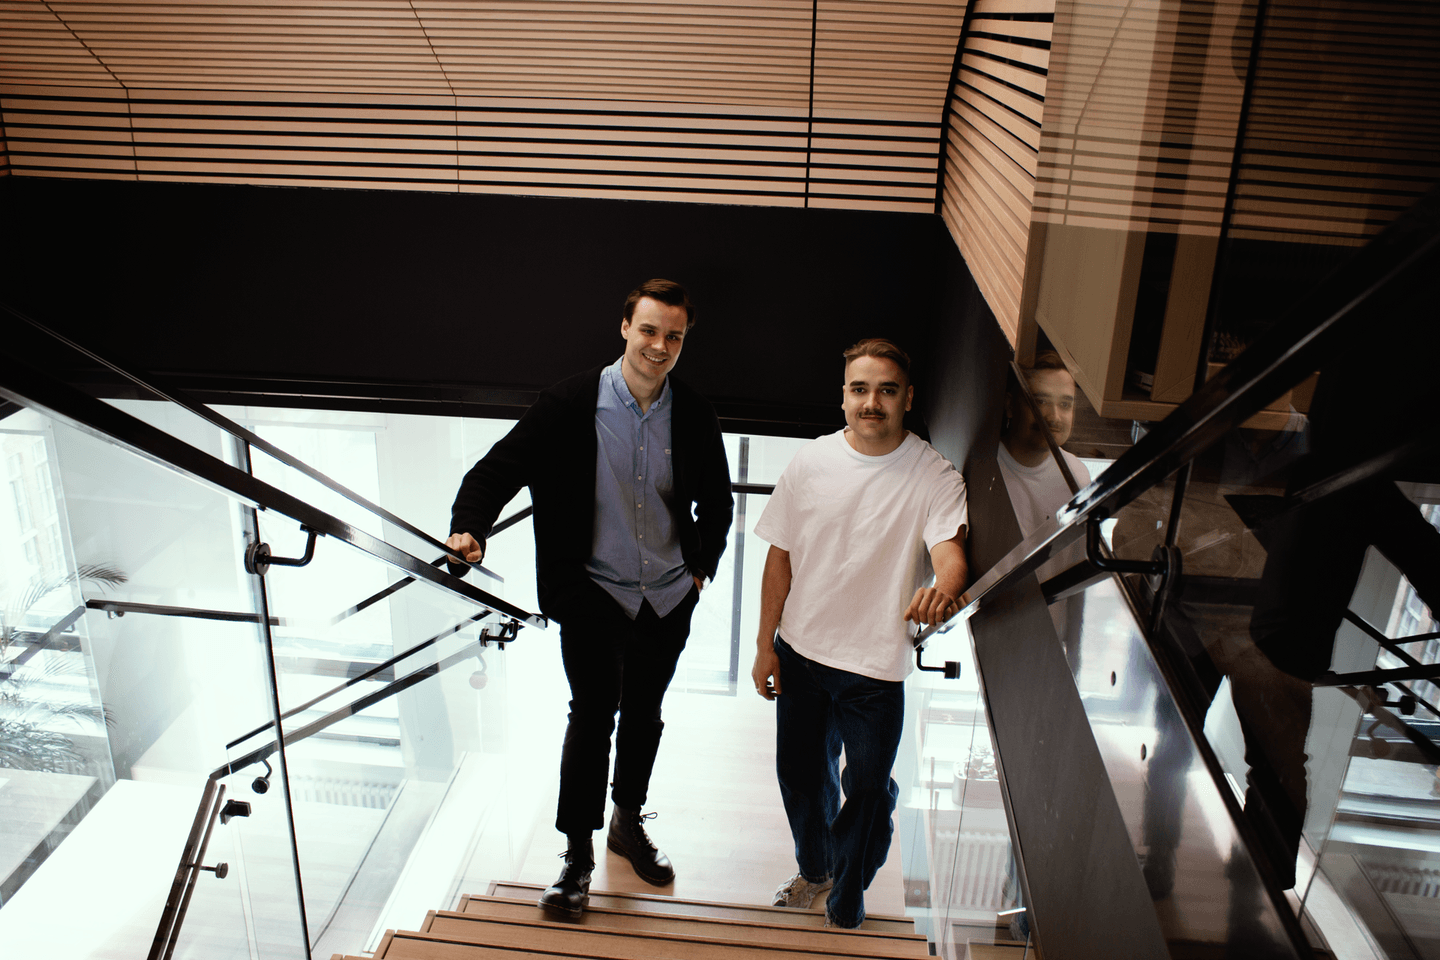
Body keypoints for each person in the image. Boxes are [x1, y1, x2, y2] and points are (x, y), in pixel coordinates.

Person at [445, 279, 733, 918]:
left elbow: (716, 502)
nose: (660, 346)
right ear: (625, 327)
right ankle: (576, 856)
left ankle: (628, 822)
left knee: (645, 714)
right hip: (593, 595)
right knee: (592, 715)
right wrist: (470, 528)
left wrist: (699, 571)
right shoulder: (569, 403)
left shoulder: (693, 412)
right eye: (650, 330)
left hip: (666, 596)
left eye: (674, 336)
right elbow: (495, 471)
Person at [750, 338, 968, 929]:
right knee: (800, 777)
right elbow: (780, 559)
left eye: (887, 391)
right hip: (800, 652)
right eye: (860, 389)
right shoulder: (810, 463)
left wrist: (943, 587)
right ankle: (816, 870)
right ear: (843, 396)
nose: (872, 402)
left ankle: (849, 885)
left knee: (868, 791)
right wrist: (766, 643)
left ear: (907, 398)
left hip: (875, 668)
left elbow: (949, 552)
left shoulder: (933, 474)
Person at [996, 351, 1092, 664]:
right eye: (1039, 401)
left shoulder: (1077, 475)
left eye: (1066, 404)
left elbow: (1081, 570)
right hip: (996, 632)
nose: (1054, 415)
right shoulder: (984, 467)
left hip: (1053, 643)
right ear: (1011, 405)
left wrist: (1076, 650)